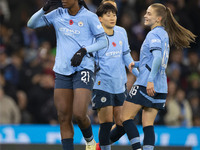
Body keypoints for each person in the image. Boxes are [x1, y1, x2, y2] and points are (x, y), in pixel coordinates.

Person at [27, 0, 108, 150]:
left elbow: (103, 41)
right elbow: (31, 24)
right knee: (63, 117)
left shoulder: (89, 16)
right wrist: (44, 8)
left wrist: (84, 50)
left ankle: (90, 141)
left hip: (83, 69)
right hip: (62, 70)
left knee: (79, 114)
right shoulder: (57, 14)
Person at [121, 3, 196, 150]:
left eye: (149, 13)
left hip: (146, 84)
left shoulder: (153, 34)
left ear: (158, 18)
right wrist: (136, 64)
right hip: (161, 87)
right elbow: (154, 59)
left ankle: (137, 148)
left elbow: (156, 59)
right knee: (148, 124)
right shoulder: (164, 34)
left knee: (125, 117)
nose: (145, 15)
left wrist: (149, 81)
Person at [92, 3, 139, 150]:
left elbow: (126, 56)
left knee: (122, 124)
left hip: (120, 85)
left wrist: (138, 75)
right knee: (105, 124)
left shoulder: (121, 32)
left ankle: (99, 147)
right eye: (108, 15)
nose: (112, 18)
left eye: (114, 14)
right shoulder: (94, 35)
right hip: (102, 84)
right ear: (99, 18)